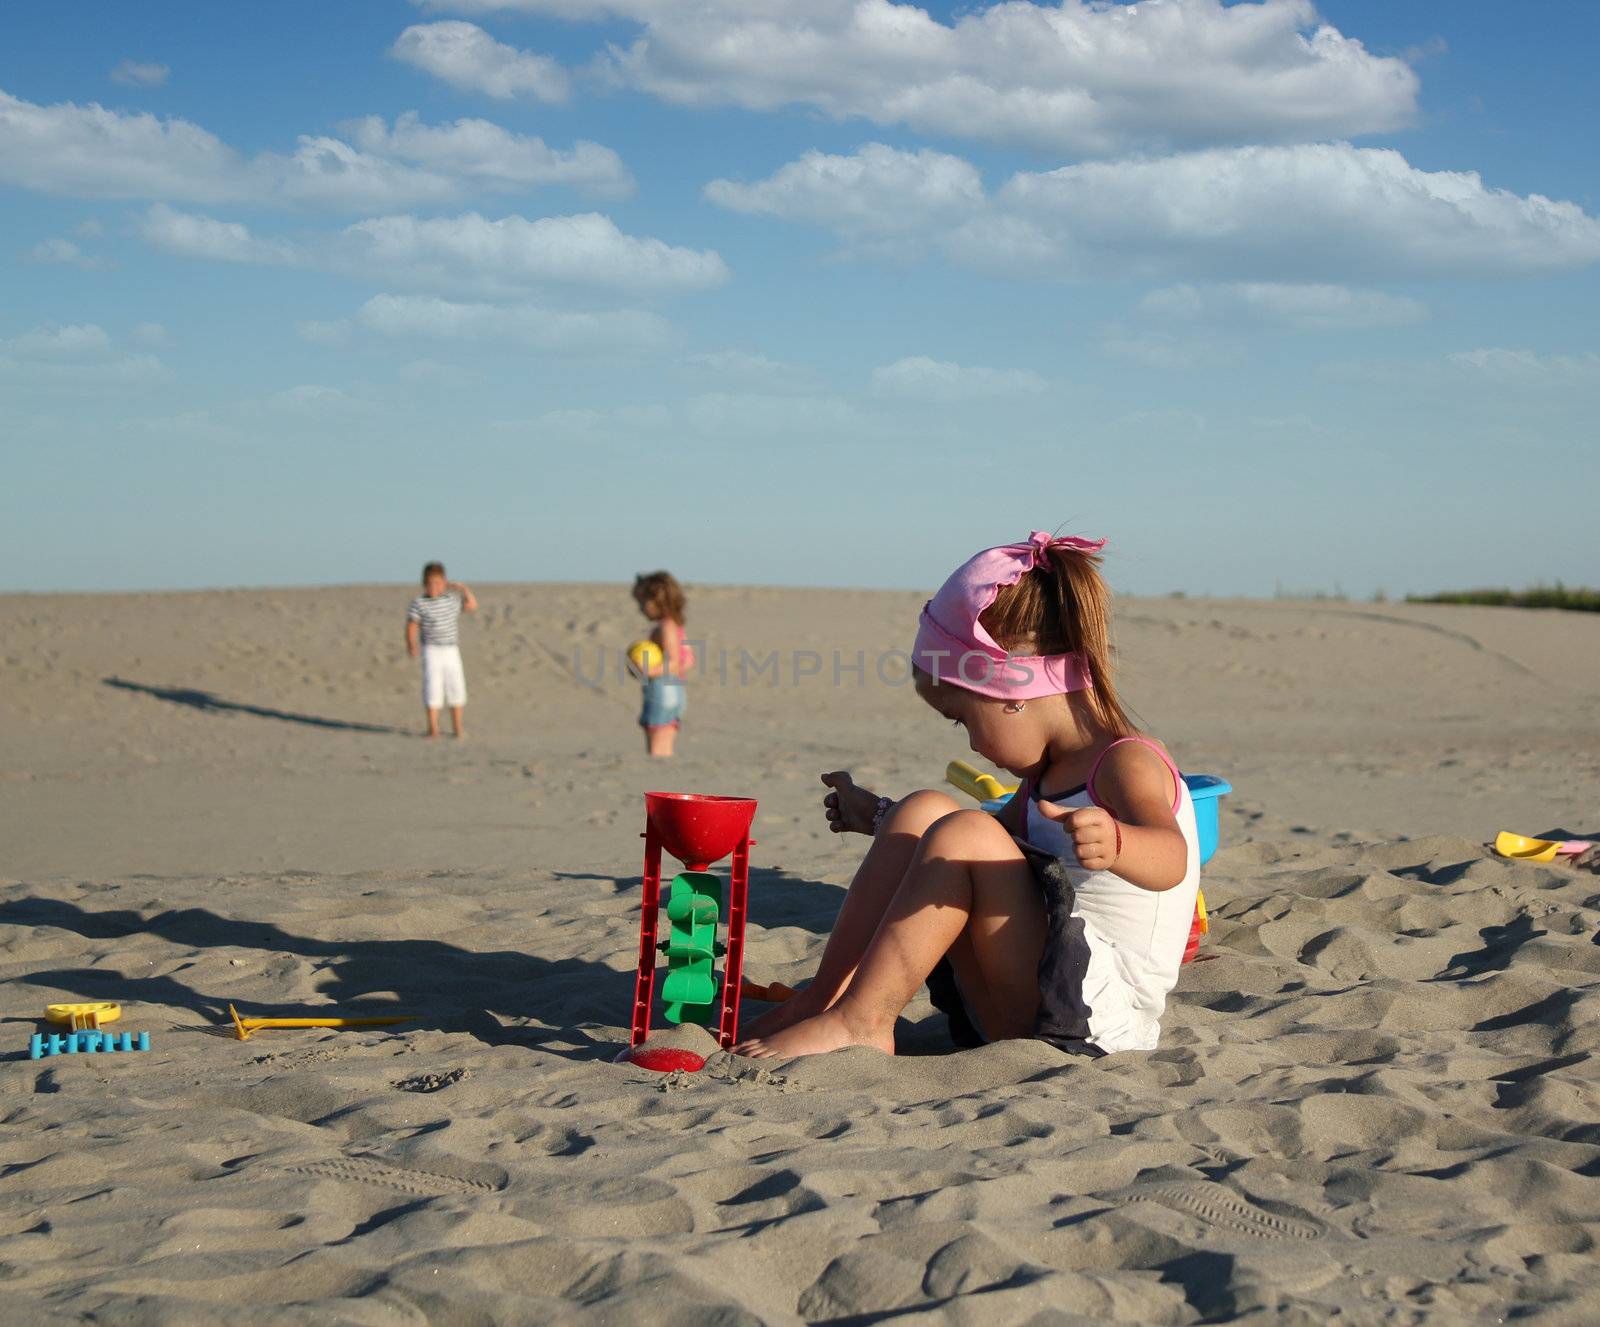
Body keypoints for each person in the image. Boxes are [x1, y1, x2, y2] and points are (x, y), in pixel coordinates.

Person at [735, 530, 1201, 1060]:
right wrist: (882, 817)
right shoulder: (1044, 778)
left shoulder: (1124, 760)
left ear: (1011, 692)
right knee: (926, 809)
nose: (974, 744)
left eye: (963, 720)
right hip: (1022, 998)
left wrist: (1118, 843)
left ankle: (862, 1022)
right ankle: (826, 997)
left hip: (1097, 1019)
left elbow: (1173, 860)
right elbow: (964, 857)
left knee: (966, 829)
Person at [405, 562, 477, 738]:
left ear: (444, 582)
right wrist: (411, 643)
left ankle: (457, 727)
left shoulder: (451, 600)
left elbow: (472, 606)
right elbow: (412, 625)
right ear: (424, 583)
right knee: (433, 687)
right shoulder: (419, 603)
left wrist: (462, 589)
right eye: (430, 583)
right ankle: (433, 728)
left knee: (456, 687)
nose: (434, 587)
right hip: (431, 650)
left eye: (438, 583)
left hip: (451, 649)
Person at [631, 571, 694, 757]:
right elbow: (689, 660)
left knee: (657, 751)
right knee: (665, 748)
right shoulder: (675, 625)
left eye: (643, 603)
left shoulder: (665, 626)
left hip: (662, 690)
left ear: (657, 601)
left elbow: (675, 662)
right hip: (675, 690)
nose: (640, 609)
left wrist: (646, 670)